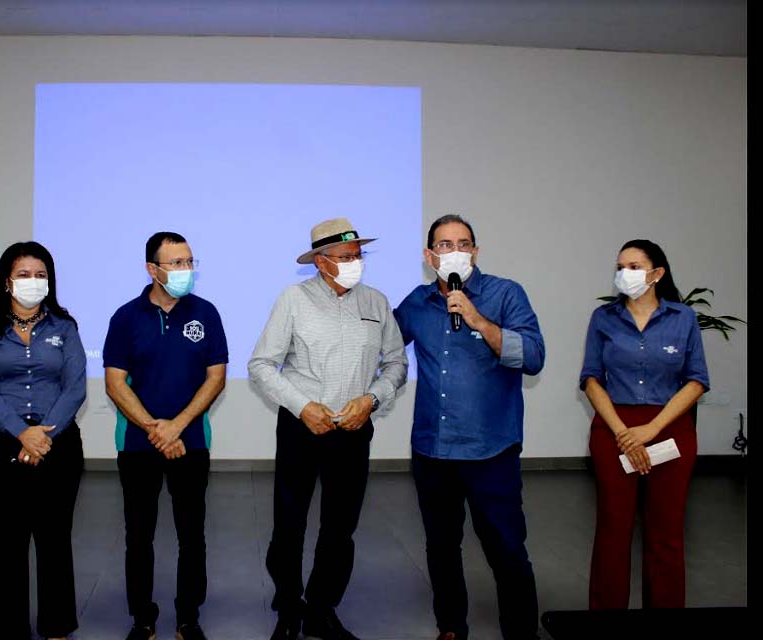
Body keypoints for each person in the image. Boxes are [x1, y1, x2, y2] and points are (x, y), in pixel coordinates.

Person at [249, 217, 408, 640]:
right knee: (290, 523)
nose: (354, 263)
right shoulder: (293, 300)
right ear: (320, 262)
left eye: (357, 256)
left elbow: (396, 363)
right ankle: (288, 605)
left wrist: (371, 399)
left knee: (340, 527)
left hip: (354, 428)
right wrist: (303, 407)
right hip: (303, 427)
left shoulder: (376, 303)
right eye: (344, 257)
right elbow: (261, 365)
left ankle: (321, 609)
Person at [393, 214, 545, 640]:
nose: (454, 251)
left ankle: (520, 632)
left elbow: (533, 356)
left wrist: (480, 321)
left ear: (475, 252)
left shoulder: (505, 293)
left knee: (507, 550)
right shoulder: (417, 304)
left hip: (490, 451)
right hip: (433, 451)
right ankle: (451, 627)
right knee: (441, 549)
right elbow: (380, 345)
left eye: (462, 243)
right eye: (444, 245)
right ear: (429, 256)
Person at [103, 232, 228, 640]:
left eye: (189, 261)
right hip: (138, 444)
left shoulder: (206, 313)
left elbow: (216, 377)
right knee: (138, 535)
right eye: (175, 263)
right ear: (152, 269)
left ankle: (188, 616)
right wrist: (156, 429)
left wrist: (177, 426)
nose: (184, 271)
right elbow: (115, 383)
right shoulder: (125, 317)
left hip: (191, 442)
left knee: (192, 534)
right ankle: (143, 617)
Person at [0, 241, 86, 640]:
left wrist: (43, 435)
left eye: (40, 275)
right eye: (24, 274)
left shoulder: (64, 327)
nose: (33, 282)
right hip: (2, 445)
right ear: (6, 281)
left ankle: (56, 627)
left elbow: (75, 387)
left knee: (54, 540)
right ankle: (11, 629)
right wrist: (22, 432)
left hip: (58, 443)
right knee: (9, 542)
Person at [579, 239, 708, 609]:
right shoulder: (603, 319)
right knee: (613, 529)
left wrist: (650, 431)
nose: (625, 274)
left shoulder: (682, 318)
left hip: (670, 428)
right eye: (621, 266)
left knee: (666, 532)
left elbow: (696, 380)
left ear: (657, 274)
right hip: (613, 428)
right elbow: (591, 379)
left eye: (634, 267)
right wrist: (623, 432)